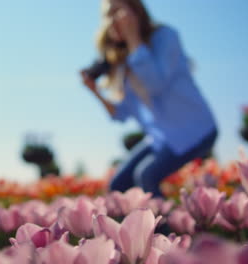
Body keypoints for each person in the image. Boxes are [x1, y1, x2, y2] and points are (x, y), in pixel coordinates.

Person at [80, 0, 218, 197]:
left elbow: (155, 85)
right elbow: (120, 114)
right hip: (162, 137)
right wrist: (95, 92)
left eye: (117, 12)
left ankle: (165, 228)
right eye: (107, 16)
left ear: (135, 12)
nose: (111, 21)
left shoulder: (165, 37)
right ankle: (126, 227)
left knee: (147, 175)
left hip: (196, 129)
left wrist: (133, 38)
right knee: (117, 184)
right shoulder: (126, 61)